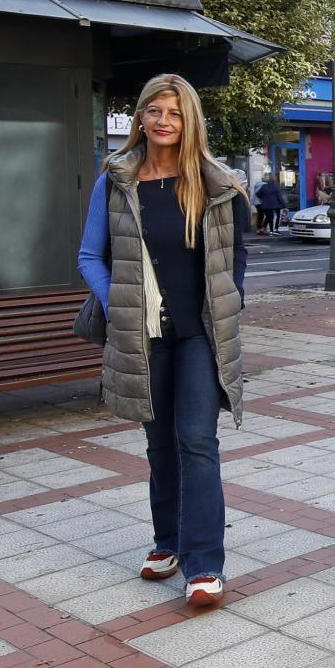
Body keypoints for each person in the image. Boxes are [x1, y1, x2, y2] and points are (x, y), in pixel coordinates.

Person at [77, 73, 250, 608]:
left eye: (174, 113)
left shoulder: (217, 182)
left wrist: (233, 298)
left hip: (199, 333)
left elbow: (235, 255)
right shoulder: (117, 179)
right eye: (154, 110)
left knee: (196, 441)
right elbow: (90, 256)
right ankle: (167, 542)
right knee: (158, 445)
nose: (163, 121)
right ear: (141, 117)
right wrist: (117, 301)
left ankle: (204, 565)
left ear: (189, 119)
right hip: (144, 332)